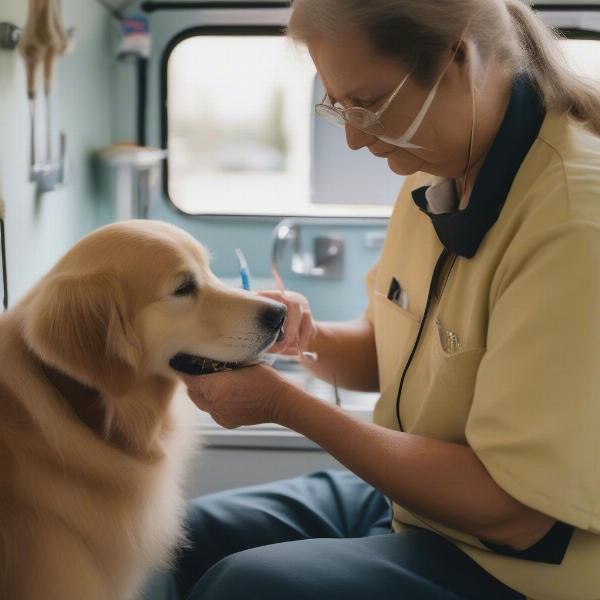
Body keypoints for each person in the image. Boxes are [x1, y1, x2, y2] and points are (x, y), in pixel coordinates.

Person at [157, 1, 600, 598]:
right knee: (173, 538)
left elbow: (515, 513)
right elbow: (386, 352)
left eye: (367, 104)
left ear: (458, 57)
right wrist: (301, 340)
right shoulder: (432, 172)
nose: (355, 138)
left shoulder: (573, 222)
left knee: (246, 585)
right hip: (417, 506)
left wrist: (286, 405)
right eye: (338, 106)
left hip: (514, 559)